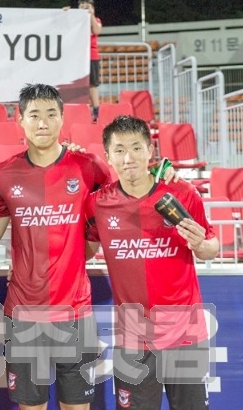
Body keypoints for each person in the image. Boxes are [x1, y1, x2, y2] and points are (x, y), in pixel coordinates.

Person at [0, 83, 111, 410]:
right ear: (20, 119)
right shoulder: (4, 174)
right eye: (34, 115)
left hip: (75, 312)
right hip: (24, 314)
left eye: (51, 114)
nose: (43, 123)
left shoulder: (88, 166)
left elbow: (123, 200)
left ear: (62, 118)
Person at [84, 115, 218, 409]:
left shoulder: (182, 193)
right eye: (119, 150)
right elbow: (83, 250)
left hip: (185, 333)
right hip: (133, 337)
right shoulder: (97, 204)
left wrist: (200, 244)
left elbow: (211, 247)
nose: (128, 158)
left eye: (136, 148)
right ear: (108, 156)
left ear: (150, 151)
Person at [78, 0, 103, 121]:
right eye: (82, 5)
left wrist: (91, 15)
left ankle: (96, 111)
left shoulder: (96, 20)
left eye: (88, 6)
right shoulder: (74, 20)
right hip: (77, 56)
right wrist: (65, 13)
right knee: (78, 84)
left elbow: (97, 30)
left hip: (91, 57)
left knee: (92, 84)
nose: (85, 8)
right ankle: (81, 110)